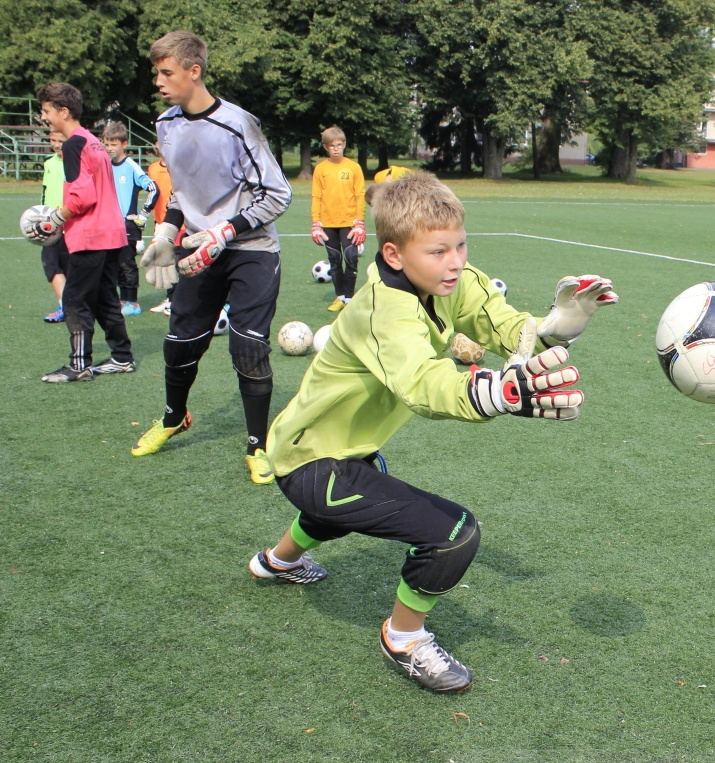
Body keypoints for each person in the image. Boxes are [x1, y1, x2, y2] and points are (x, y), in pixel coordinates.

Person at [249, 174, 617, 693]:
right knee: (454, 534)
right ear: (396, 256)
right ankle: (404, 637)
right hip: (308, 460)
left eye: (460, 244)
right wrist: (499, 393)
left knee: (359, 487)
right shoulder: (383, 311)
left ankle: (276, 562)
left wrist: (559, 323)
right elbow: (422, 383)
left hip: (340, 452)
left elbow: (502, 324)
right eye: (438, 250)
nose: (455, 260)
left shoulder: (451, 280)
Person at [131, 30, 292, 485]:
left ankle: (258, 445)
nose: (159, 82)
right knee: (181, 343)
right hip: (197, 247)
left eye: (167, 72)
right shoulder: (166, 124)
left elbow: (278, 194)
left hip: (251, 249)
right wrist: (165, 232)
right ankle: (173, 417)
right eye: (157, 73)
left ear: (194, 70)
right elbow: (182, 191)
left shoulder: (239, 124)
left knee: (248, 347)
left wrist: (225, 231)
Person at [32, 83, 135, 383]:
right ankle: (122, 357)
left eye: (47, 111)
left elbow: (81, 197)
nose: (44, 117)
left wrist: (55, 217)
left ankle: (78, 365)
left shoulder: (74, 144)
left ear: (63, 111)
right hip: (112, 234)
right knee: (105, 298)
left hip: (90, 235)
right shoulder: (92, 140)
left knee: (75, 300)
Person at [101, 122, 159, 317]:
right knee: (114, 263)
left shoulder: (131, 166)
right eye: (107, 144)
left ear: (124, 144)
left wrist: (142, 215)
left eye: (113, 144)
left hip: (127, 224)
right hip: (109, 223)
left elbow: (153, 189)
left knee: (127, 263)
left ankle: (133, 302)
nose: (109, 148)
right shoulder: (105, 165)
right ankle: (122, 299)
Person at [311, 126, 365, 312]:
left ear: (344, 145)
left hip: (349, 223)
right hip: (327, 223)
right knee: (334, 259)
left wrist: (360, 222)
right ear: (326, 147)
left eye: (339, 145)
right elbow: (317, 196)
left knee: (351, 258)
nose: (336, 148)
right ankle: (339, 297)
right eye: (332, 145)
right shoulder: (320, 169)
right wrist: (316, 224)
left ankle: (349, 299)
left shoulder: (353, 168)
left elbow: (359, 195)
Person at [39, 129, 69, 323]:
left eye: (61, 140)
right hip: (50, 226)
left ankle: (72, 306)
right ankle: (64, 305)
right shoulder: (49, 163)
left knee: (70, 267)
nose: (57, 144)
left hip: (70, 225)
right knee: (51, 264)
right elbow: (45, 192)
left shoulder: (76, 163)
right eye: (53, 140)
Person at [146, 140, 175, 315]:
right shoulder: (153, 168)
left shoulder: (177, 167)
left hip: (177, 223)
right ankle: (170, 299)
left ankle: (175, 300)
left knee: (176, 262)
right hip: (160, 222)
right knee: (164, 263)